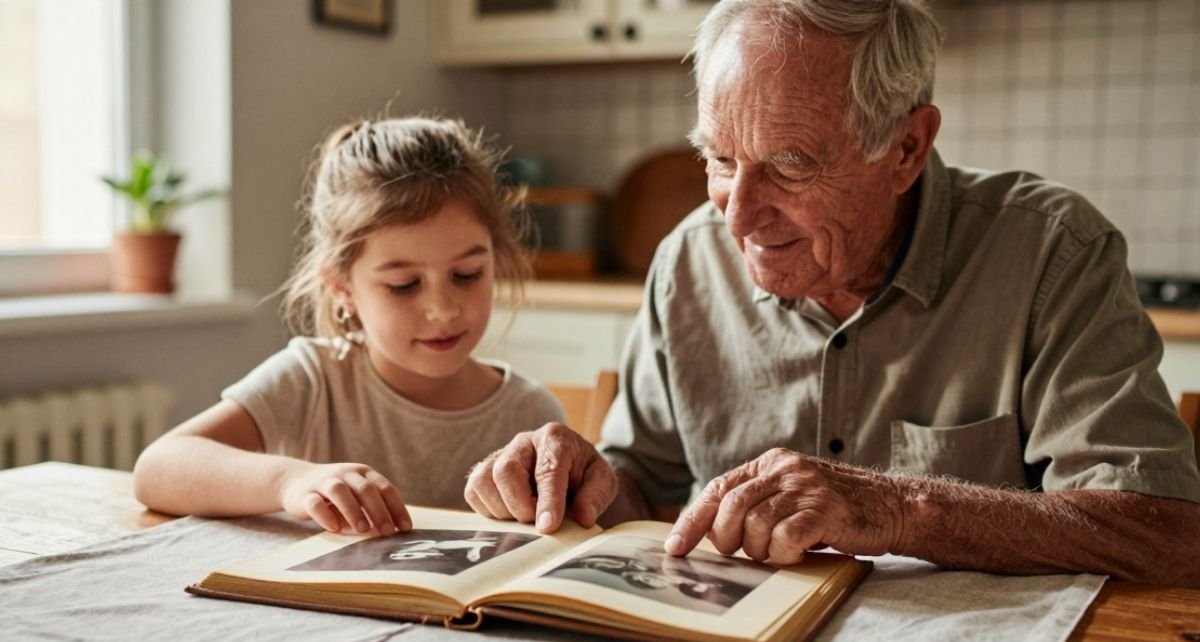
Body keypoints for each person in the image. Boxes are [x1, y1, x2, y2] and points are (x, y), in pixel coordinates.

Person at [464, 0, 1200, 586]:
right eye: (719, 159)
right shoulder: (689, 258)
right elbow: (644, 490)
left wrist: (899, 508)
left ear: (907, 148)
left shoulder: (1051, 254)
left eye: (789, 166)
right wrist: (579, 482)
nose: (739, 214)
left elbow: (1166, 532)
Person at [135, 116, 564, 536]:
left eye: (467, 274)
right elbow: (159, 467)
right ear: (342, 287)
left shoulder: (529, 414)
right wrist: (290, 482)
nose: (442, 310)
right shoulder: (314, 378)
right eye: (403, 285)